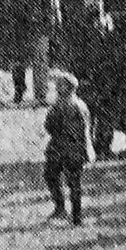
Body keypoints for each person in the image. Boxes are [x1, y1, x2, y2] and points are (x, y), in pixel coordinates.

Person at [41, 72, 92, 226]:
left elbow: (50, 125)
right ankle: (64, 210)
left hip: (68, 147)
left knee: (70, 181)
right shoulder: (73, 104)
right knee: (54, 176)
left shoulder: (70, 105)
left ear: (68, 87)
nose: (56, 87)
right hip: (66, 147)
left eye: (60, 85)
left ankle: (73, 214)